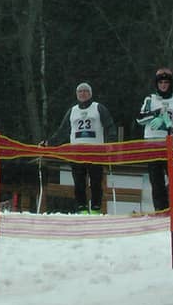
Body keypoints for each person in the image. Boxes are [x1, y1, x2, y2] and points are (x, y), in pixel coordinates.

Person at [42, 82, 117, 213]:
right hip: (76, 152)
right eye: (80, 91)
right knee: (79, 182)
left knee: (96, 181)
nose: (83, 93)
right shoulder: (72, 111)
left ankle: (96, 208)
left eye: (85, 91)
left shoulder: (98, 108)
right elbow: (63, 131)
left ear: (90, 94)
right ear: (76, 94)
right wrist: (49, 143)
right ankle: (82, 208)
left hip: (95, 152)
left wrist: (111, 143)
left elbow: (109, 126)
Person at [136, 68, 173, 211]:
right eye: (161, 83)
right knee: (156, 180)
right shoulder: (150, 99)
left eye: (166, 82)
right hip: (152, 144)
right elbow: (139, 119)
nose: (163, 85)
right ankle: (161, 210)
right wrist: (157, 113)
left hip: (171, 145)